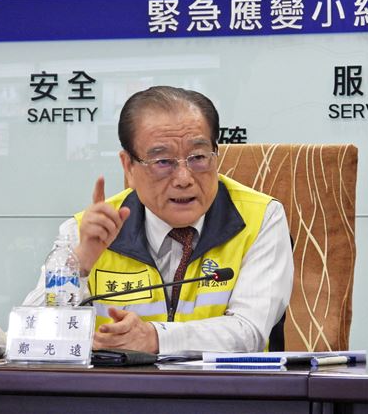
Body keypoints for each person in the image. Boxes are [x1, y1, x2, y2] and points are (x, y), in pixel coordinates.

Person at [23, 86, 294, 354]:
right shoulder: (86, 231)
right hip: (113, 394)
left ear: (216, 155)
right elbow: (32, 335)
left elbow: (249, 332)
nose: (184, 179)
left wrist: (155, 338)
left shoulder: (260, 218)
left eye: (198, 158)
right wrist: (79, 264)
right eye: (163, 161)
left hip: (227, 394)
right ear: (128, 165)